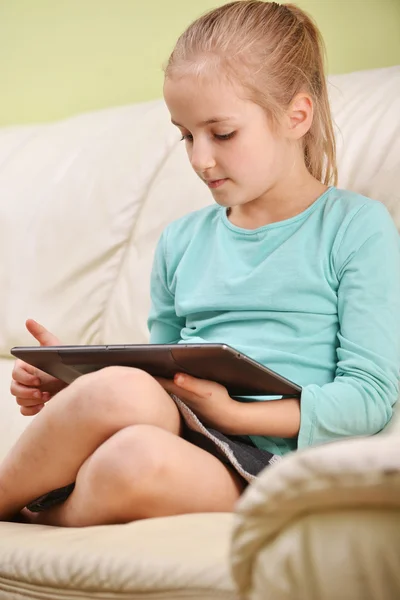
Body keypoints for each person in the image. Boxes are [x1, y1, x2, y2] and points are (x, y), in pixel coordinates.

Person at [1, 0, 399, 527]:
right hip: (184, 424)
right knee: (120, 388)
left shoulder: (356, 227)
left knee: (133, 460)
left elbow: (369, 396)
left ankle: (37, 521)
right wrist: (78, 384)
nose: (199, 158)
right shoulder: (182, 241)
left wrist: (235, 414)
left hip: (271, 461)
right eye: (186, 135)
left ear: (295, 116)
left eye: (222, 133)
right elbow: (163, 371)